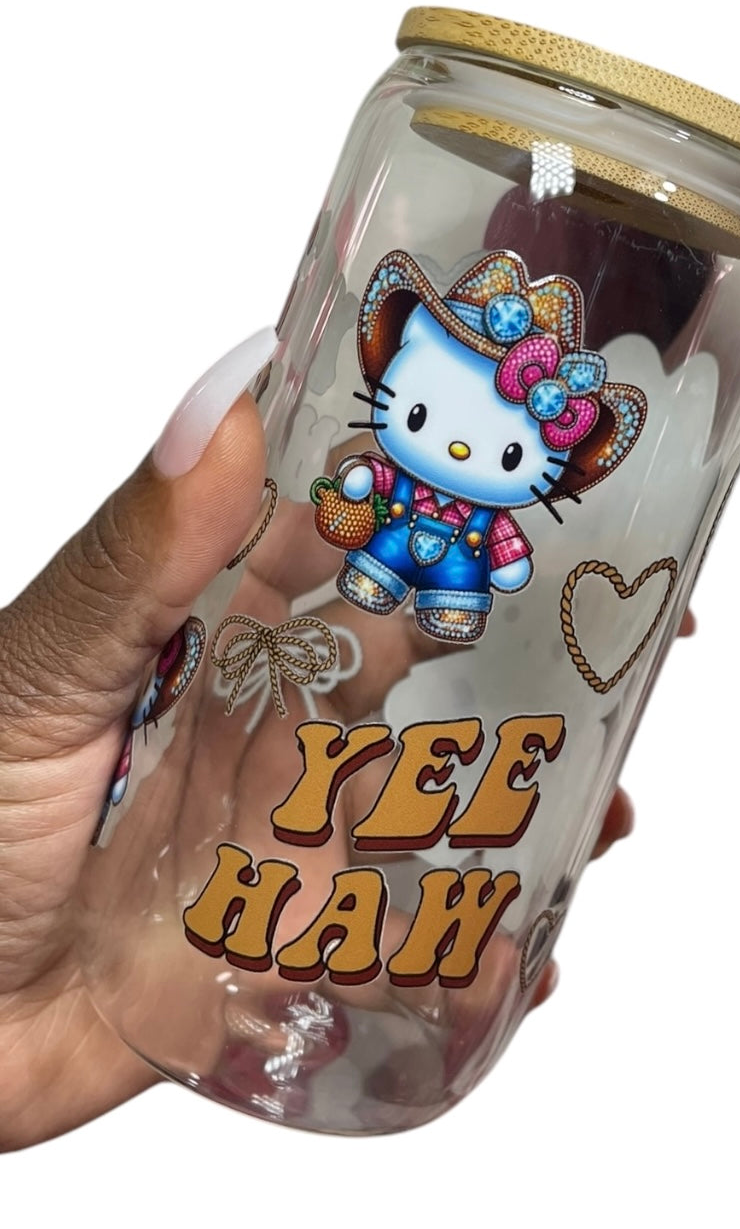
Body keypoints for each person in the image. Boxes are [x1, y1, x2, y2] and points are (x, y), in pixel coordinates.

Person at [0, 331, 694, 1151]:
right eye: (428, 414)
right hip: (114, 910)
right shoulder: (380, 486)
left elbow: (512, 562)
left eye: (506, 449)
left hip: (441, 609)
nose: (460, 449)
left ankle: (441, 602)